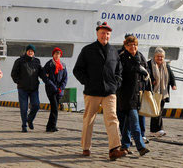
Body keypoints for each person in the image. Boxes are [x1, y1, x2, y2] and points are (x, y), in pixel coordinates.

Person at [73, 22, 125, 161]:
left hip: (109, 92)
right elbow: (77, 70)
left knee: (112, 118)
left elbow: (119, 70)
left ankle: (114, 149)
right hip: (92, 92)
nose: (105, 35)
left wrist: (116, 83)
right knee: (89, 120)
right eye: (102, 33)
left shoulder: (114, 51)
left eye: (107, 33)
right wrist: (87, 82)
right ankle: (86, 147)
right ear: (97, 34)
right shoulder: (87, 50)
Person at [117, 35, 150, 156]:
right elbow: (122, 72)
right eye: (130, 45)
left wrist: (145, 75)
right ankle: (141, 147)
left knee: (127, 123)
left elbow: (146, 70)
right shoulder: (122, 58)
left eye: (135, 45)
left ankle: (124, 146)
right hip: (126, 95)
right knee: (135, 122)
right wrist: (138, 68)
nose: (133, 47)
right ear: (125, 46)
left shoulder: (140, 56)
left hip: (137, 94)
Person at [11, 44, 42, 132]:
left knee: (36, 105)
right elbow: (13, 73)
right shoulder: (19, 61)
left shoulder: (37, 61)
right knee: (24, 108)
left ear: (34, 52)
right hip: (22, 88)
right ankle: (24, 125)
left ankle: (30, 120)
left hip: (34, 88)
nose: (30, 52)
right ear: (26, 51)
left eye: (32, 51)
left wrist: (47, 79)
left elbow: (41, 73)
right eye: (29, 51)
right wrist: (18, 81)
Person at [147, 47, 177, 136]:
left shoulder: (166, 66)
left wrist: (173, 84)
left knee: (159, 111)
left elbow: (171, 76)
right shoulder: (149, 64)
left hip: (163, 92)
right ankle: (158, 129)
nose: (160, 58)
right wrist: (152, 80)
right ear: (154, 56)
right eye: (158, 56)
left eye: (161, 57)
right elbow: (147, 74)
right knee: (156, 111)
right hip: (153, 91)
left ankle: (155, 130)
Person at [41, 47, 68, 132]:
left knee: (55, 108)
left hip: (59, 90)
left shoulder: (63, 66)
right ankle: (51, 126)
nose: (57, 56)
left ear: (60, 55)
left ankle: (50, 126)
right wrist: (54, 87)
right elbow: (44, 77)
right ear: (53, 55)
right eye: (56, 54)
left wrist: (61, 88)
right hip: (51, 89)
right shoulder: (49, 64)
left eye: (58, 54)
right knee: (55, 108)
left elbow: (65, 78)